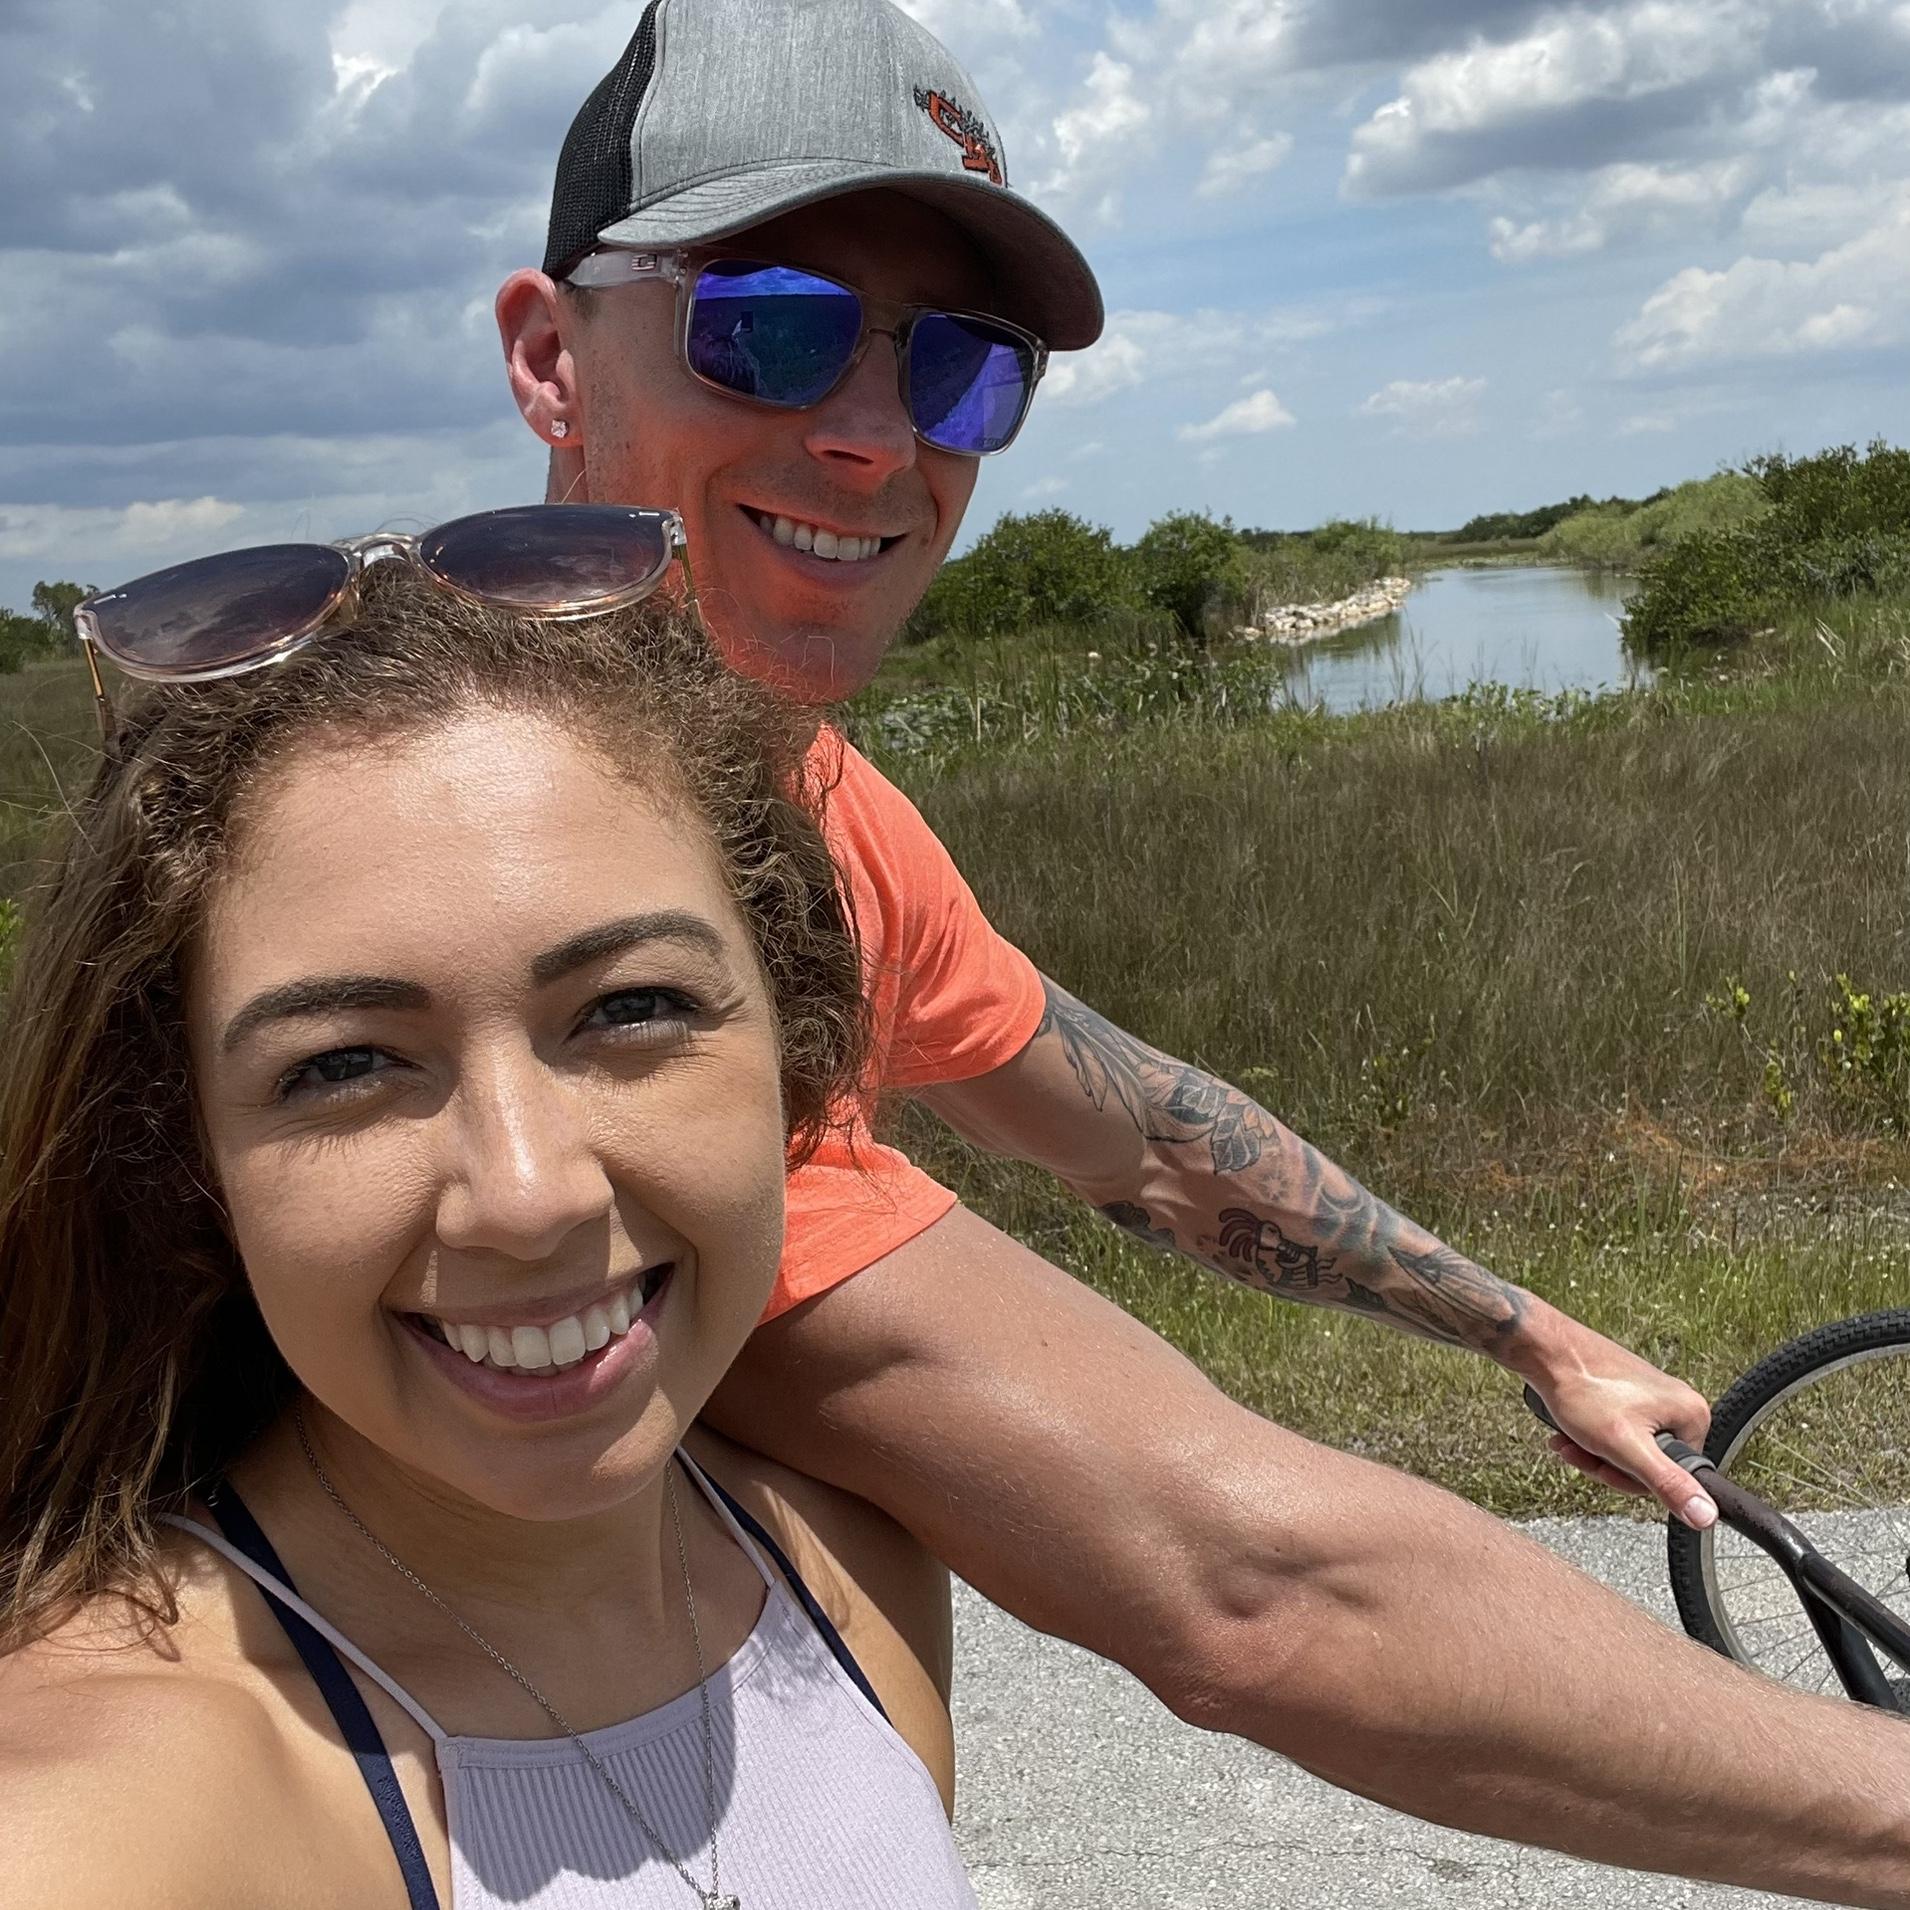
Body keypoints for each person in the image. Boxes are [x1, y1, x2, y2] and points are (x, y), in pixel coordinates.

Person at [483, 2, 1910, 1898]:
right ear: (547, 356)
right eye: (771, 323)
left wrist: (1533, 1335)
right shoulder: (508, 855)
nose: (868, 431)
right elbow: (1253, 1585)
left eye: (963, 370)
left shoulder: (794, 798)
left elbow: (1136, 1127)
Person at [0, 549, 978, 1908]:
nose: (527, 1193)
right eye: (343, 1063)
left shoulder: (852, 1570)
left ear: (794, 1040)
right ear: (189, 1161)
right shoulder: (106, 1816)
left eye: (630, 1007)